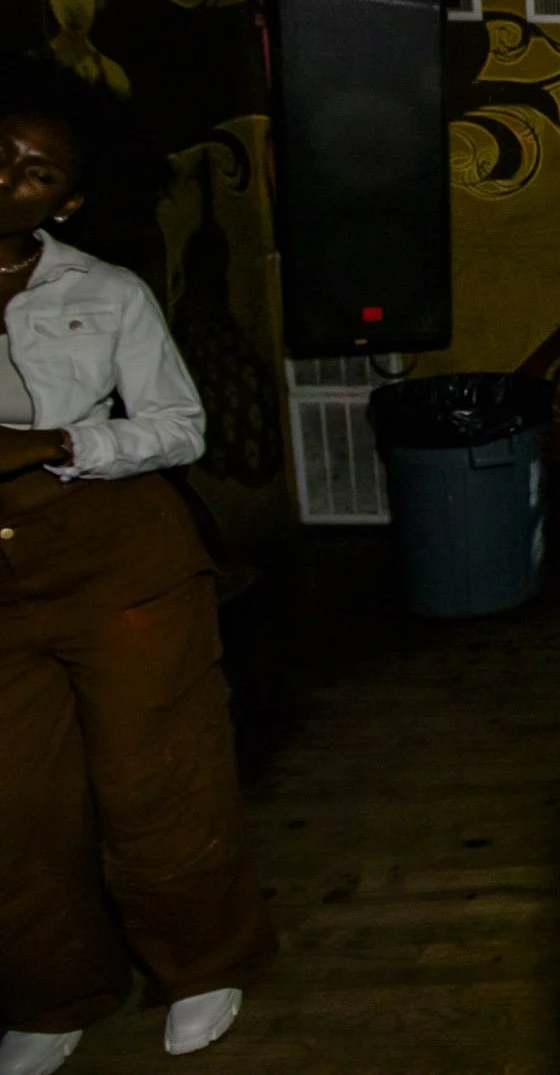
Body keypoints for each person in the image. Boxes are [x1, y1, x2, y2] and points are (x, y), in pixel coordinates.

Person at [0, 60, 274, 1075]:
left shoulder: (104, 292)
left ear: (66, 201)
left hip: (117, 558)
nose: (7, 180)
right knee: (18, 800)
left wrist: (57, 443)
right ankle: (53, 988)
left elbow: (180, 425)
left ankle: (200, 964)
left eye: (36, 172)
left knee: (153, 776)